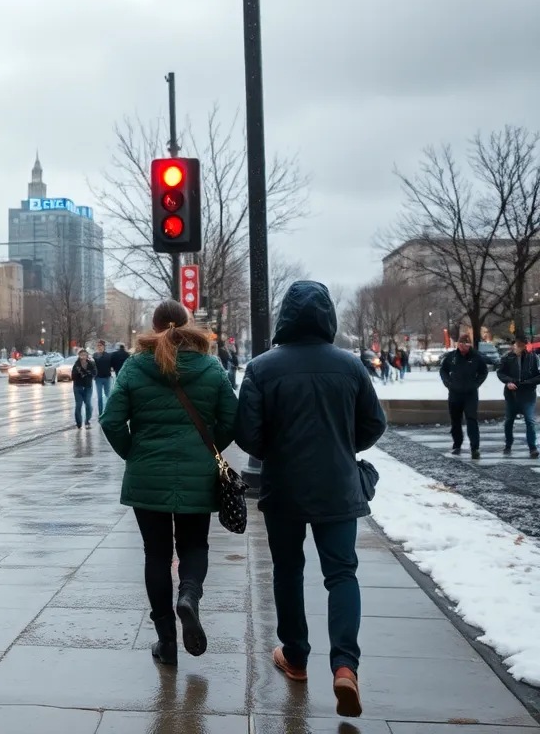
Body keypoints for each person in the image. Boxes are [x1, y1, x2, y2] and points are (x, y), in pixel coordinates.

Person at [235, 281, 386, 719]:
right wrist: (342, 445)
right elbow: (373, 424)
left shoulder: (262, 368)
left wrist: (275, 450)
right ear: (327, 317)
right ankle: (344, 666)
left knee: (287, 570)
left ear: (285, 316)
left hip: (284, 486)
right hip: (338, 487)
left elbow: (247, 433)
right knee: (342, 574)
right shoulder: (350, 366)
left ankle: (296, 657)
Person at [99, 300, 238, 668]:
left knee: (156, 556)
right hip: (197, 473)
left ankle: (166, 640)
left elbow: (111, 421)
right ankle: (189, 596)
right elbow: (232, 419)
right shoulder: (211, 367)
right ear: (187, 326)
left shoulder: (134, 366)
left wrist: (134, 452)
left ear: (154, 325)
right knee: (194, 546)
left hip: (148, 475)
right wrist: (208, 449)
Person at [440, 334, 488, 459]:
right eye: (460, 344)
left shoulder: (476, 357)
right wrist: (448, 382)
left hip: (470, 394)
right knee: (455, 420)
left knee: (471, 419)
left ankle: (475, 447)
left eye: (465, 344)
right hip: (455, 393)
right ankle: (457, 444)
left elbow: (484, 371)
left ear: (469, 345)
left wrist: (476, 383)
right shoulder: (451, 356)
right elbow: (443, 370)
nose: (462, 346)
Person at [498, 336, 539, 458]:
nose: (517, 348)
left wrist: (528, 382)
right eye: (516, 345)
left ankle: (532, 447)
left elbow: (538, 375)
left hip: (528, 394)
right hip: (512, 394)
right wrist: (509, 382)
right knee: (509, 420)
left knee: (530, 421)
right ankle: (508, 444)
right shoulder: (507, 357)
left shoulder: (533, 358)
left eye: (520, 345)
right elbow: (500, 372)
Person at [71, 348, 97, 429]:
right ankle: (79, 423)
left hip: (88, 387)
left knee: (88, 404)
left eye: (84, 355)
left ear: (87, 356)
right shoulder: (76, 365)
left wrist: (87, 373)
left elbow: (94, 373)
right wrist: (78, 373)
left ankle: (87, 421)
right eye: (81, 355)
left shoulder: (91, 364)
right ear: (79, 356)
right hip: (78, 387)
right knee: (78, 405)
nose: (83, 357)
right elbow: (73, 377)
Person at [93, 340, 114, 416]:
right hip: (98, 378)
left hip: (107, 378)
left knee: (108, 395)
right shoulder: (94, 355)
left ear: (104, 347)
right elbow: (91, 367)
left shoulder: (108, 356)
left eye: (101, 345)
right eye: (98, 345)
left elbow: (113, 365)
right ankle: (100, 413)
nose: (99, 347)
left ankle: (108, 412)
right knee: (99, 397)